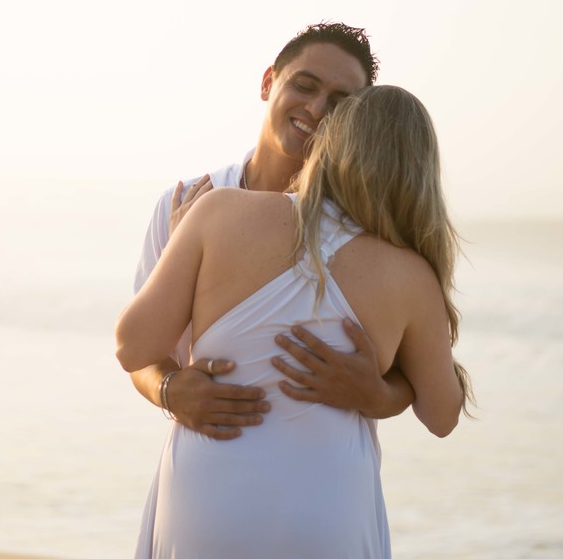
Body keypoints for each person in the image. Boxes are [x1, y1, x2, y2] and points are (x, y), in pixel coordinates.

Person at [116, 85, 473, 558]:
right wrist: (386, 391)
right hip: (330, 515)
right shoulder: (411, 276)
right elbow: (442, 414)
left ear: (330, 144)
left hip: (207, 504)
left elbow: (132, 346)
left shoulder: (218, 210)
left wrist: (184, 251)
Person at [129, 24, 415, 439]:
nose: (317, 109)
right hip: (206, 465)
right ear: (268, 82)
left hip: (326, 473)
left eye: (339, 102)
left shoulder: (365, 221)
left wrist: (378, 397)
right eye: (304, 85)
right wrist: (169, 390)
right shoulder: (186, 203)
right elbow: (139, 353)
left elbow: (422, 371)